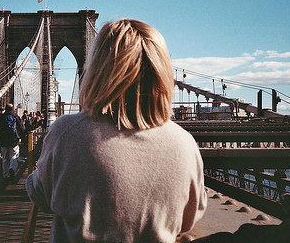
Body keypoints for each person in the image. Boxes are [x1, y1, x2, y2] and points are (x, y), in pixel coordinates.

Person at [26, 19, 207, 242]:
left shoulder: (66, 132)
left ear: (96, 70)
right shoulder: (185, 143)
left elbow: (40, 194)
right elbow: (190, 216)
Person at [0, 103, 21, 183]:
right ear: (13, 109)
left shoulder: (1, 117)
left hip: (3, 141)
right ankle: (12, 168)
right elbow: (22, 128)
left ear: (5, 109)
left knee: (5, 159)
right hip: (13, 141)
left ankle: (5, 175)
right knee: (13, 157)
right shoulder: (15, 117)